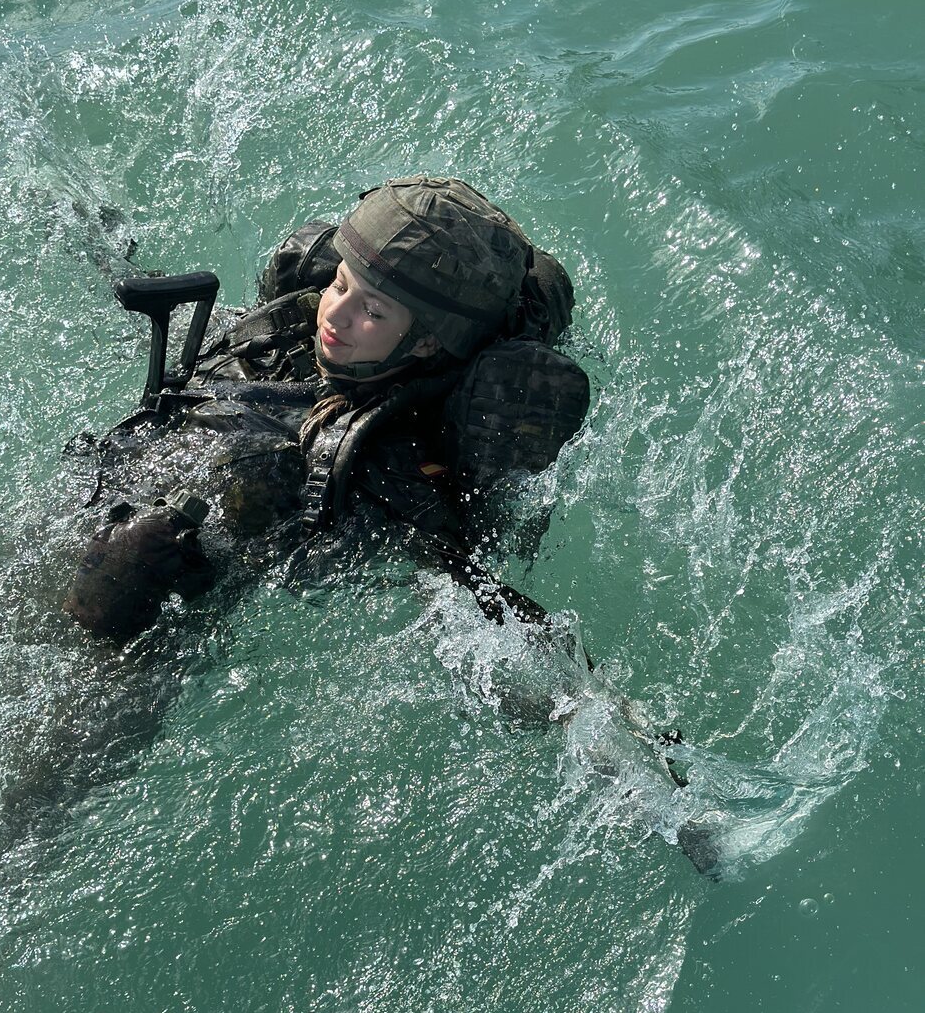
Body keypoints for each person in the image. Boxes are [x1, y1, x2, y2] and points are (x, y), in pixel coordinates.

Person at [60, 175, 719, 875]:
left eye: (371, 310)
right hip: (115, 491)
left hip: (154, 607)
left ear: (428, 343)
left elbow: (510, 640)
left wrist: (664, 800)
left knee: (34, 786)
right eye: (341, 283)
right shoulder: (302, 325)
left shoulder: (392, 474)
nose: (336, 314)